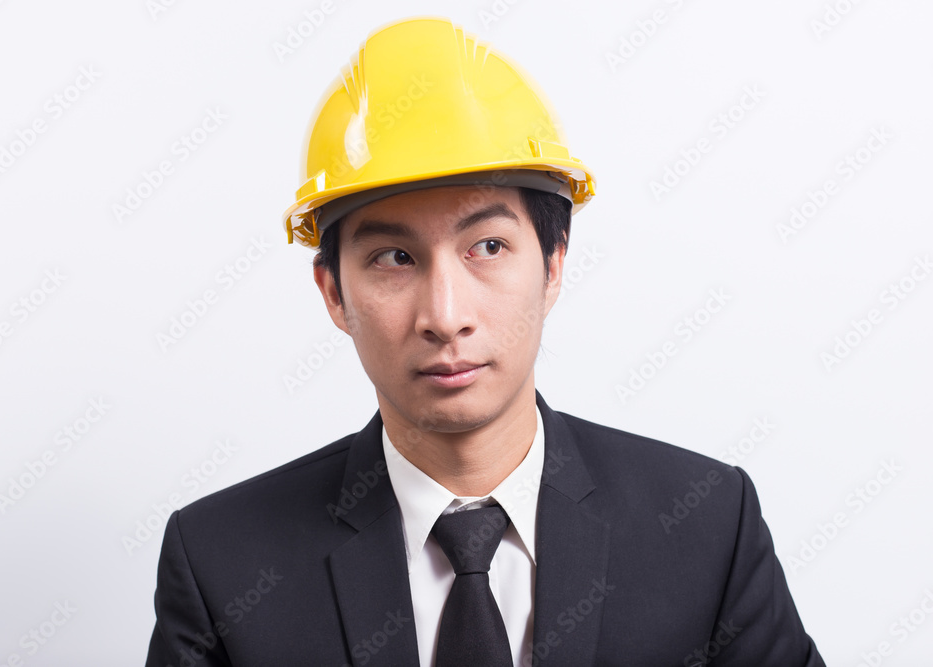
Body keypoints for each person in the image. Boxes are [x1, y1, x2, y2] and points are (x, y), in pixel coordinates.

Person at [145, 16, 826, 667]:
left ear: (554, 263)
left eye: (488, 246)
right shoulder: (223, 564)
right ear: (333, 293)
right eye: (393, 258)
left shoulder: (706, 526)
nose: (445, 315)